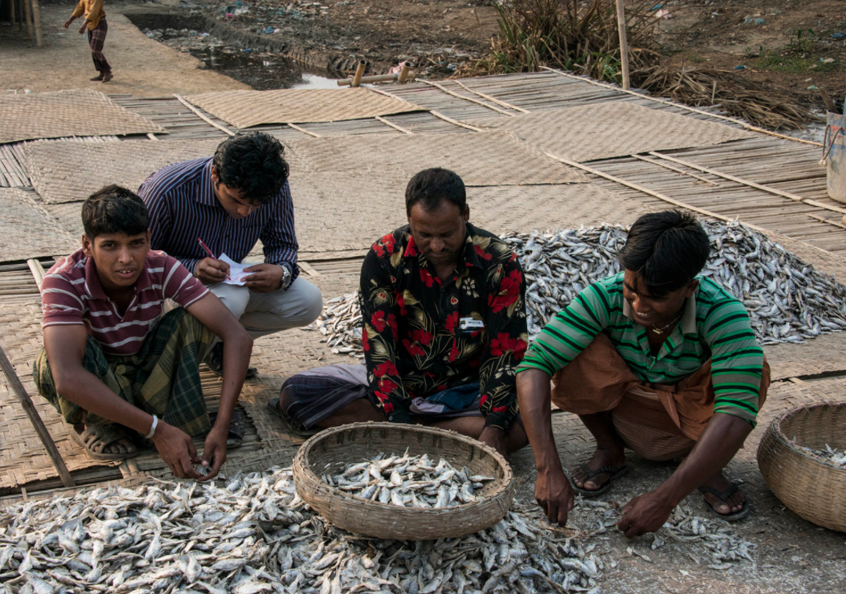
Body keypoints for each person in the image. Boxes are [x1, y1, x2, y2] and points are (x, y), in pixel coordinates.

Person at [516, 210, 770, 536]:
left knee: (753, 371)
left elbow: (736, 410)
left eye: (656, 298)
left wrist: (665, 499)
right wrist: (547, 468)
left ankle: (705, 467)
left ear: (690, 289)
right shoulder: (605, 297)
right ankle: (610, 449)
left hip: (690, 418)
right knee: (573, 349)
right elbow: (534, 365)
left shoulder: (722, 313)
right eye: (632, 291)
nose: (638, 307)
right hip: (626, 408)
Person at [268, 168, 529, 457]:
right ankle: (430, 431)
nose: (437, 245)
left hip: (468, 389)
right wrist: (397, 414)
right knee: (295, 393)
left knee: (521, 426)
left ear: (465, 214)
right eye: (424, 234)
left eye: (447, 234)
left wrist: (493, 424)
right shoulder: (384, 258)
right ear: (409, 219)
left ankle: (408, 431)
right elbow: (380, 345)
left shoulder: (499, 263)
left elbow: (505, 351)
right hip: (401, 384)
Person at [34, 186, 253, 481]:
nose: (126, 258)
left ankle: (141, 420)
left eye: (136, 243)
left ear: (148, 240)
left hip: (148, 373)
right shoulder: (63, 281)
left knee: (195, 321)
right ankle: (101, 424)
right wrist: (157, 430)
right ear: (87, 246)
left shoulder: (160, 265)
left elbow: (237, 336)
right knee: (51, 361)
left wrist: (222, 424)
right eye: (110, 245)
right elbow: (67, 377)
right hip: (102, 379)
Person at [138, 132, 322, 378]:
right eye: (237, 200)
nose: (245, 212)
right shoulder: (167, 190)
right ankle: (170, 366)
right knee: (229, 300)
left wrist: (282, 271)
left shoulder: (270, 187)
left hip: (227, 280)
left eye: (255, 206)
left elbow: (283, 243)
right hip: (166, 292)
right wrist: (191, 267)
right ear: (215, 174)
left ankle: (217, 345)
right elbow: (138, 259)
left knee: (308, 301)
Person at [65, 0, 112, 83]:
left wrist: (83, 25)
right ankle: (101, 73)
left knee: (95, 49)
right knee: (93, 51)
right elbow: (79, 8)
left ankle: (107, 70)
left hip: (99, 23)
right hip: (90, 25)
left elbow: (94, 12)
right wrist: (70, 20)